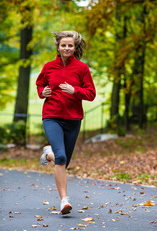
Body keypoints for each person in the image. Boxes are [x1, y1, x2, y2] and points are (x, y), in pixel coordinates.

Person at [36, 30, 96, 215]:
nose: (67, 48)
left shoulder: (81, 68)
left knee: (64, 161)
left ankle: (48, 154)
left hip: (73, 119)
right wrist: (42, 92)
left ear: (75, 47)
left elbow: (91, 94)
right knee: (61, 158)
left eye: (70, 45)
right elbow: (40, 84)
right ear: (58, 46)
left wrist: (75, 90)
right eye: (64, 45)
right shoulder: (48, 67)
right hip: (52, 116)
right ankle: (64, 201)